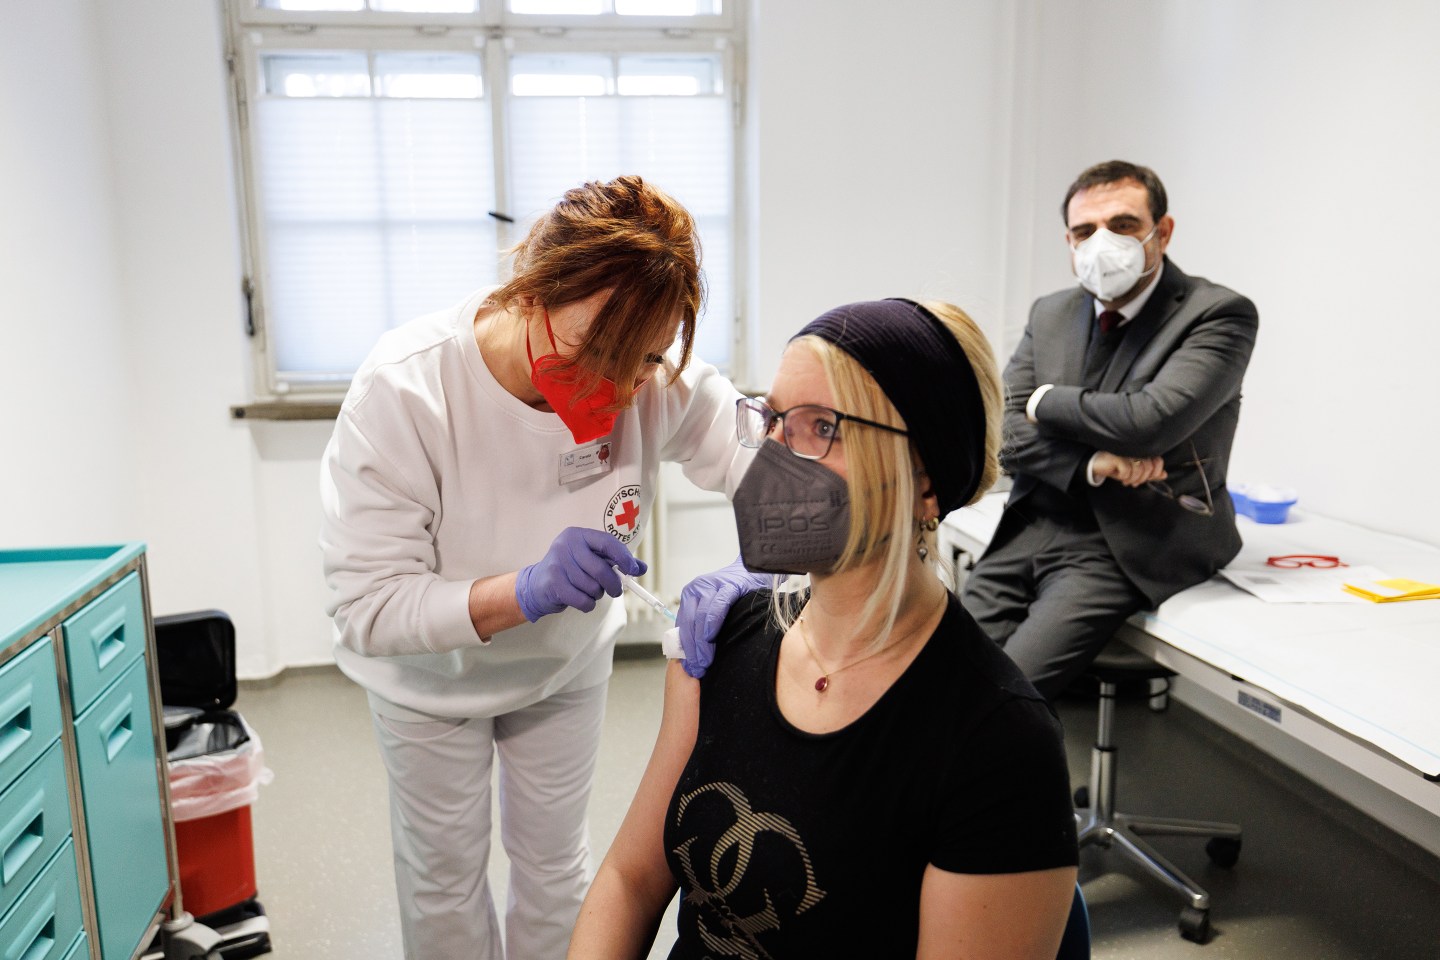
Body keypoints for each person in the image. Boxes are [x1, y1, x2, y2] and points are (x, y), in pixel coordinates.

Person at [319, 176, 755, 960]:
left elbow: (763, 458)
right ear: (531, 291)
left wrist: (760, 566)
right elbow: (368, 606)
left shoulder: (653, 375)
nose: (624, 389)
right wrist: (522, 592)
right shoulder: (407, 388)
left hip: (563, 669)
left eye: (647, 357)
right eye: (600, 354)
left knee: (556, 867)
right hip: (430, 682)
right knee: (443, 880)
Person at [568, 299, 1080, 960]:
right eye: (773, 419)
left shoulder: (997, 743)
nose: (774, 455)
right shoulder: (721, 646)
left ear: (927, 480)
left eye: (822, 427)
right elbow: (629, 881)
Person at [961, 160, 1260, 700]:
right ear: (1069, 241)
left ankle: (1006, 781)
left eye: (1121, 225)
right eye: (1084, 231)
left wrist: (1045, 401)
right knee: (941, 673)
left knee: (1009, 698)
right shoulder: (1051, 313)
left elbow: (1149, 423)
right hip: (1033, 521)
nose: (1102, 243)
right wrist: (1092, 462)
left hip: (1130, 538)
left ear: (1161, 232)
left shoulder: (1216, 314)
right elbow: (1002, 430)